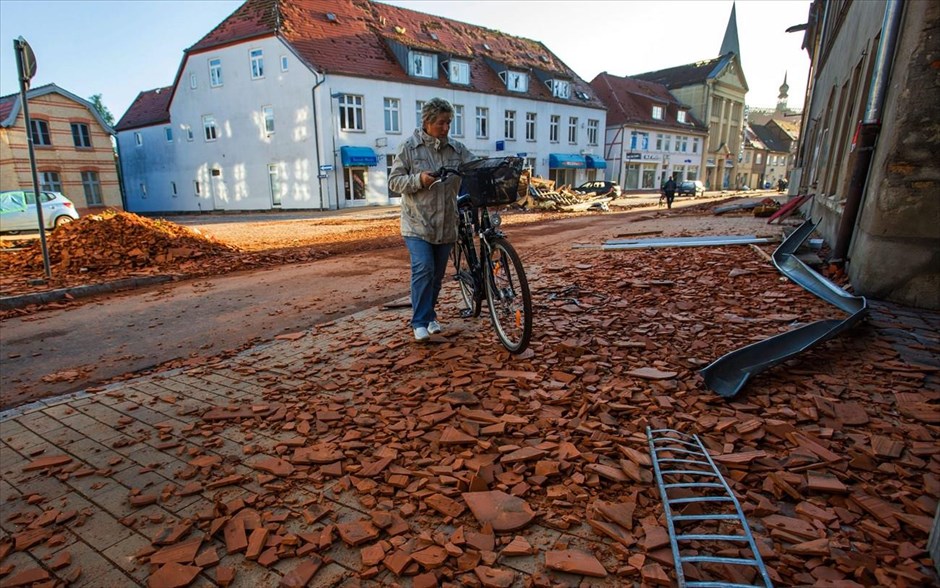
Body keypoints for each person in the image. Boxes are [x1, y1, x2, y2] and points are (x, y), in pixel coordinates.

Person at [388, 98, 474, 342]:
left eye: (449, 122)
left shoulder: (457, 150)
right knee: (423, 268)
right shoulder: (409, 148)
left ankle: (430, 315)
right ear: (426, 122)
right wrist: (418, 180)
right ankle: (419, 322)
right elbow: (394, 182)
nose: (446, 128)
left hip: (447, 223)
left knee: (436, 275)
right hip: (417, 223)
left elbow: (475, 167)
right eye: (441, 123)